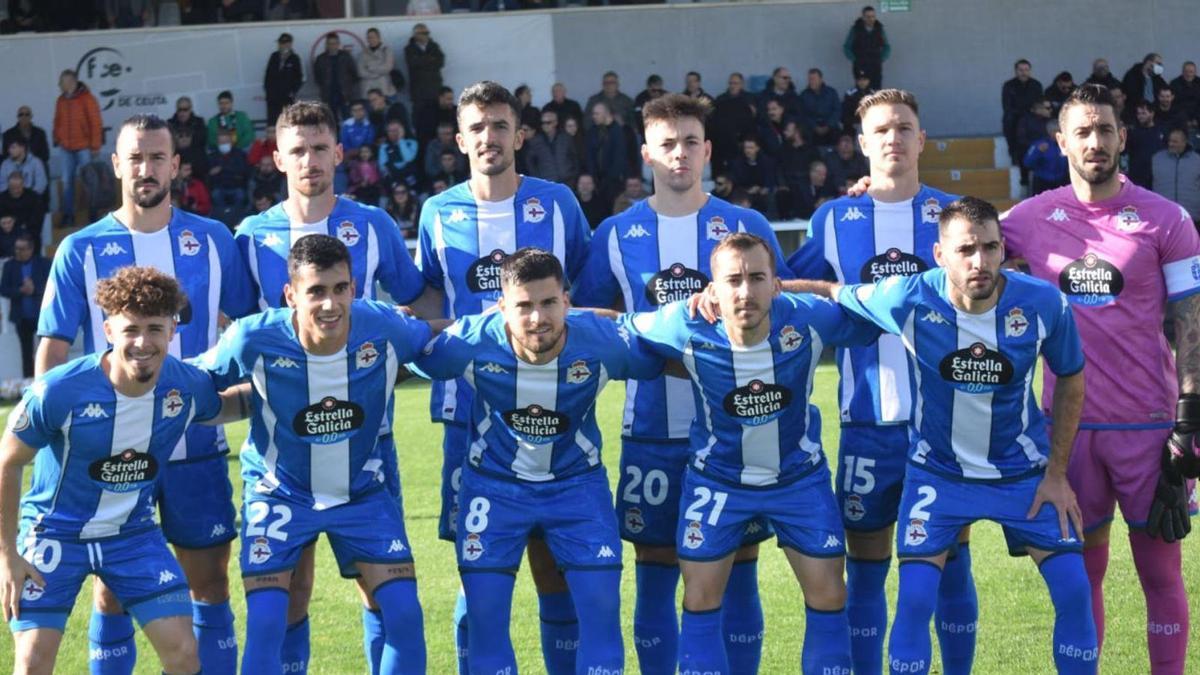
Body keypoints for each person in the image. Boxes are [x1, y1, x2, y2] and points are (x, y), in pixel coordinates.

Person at [572, 94, 794, 675]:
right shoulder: (615, 234)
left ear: (708, 149)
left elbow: (786, 313)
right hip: (652, 432)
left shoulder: (746, 226)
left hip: (737, 433)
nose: (680, 153)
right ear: (647, 153)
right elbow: (592, 323)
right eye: (667, 143)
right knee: (655, 571)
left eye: (690, 141)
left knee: (739, 571)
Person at [834, 196, 1096, 675]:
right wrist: (764, 291)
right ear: (940, 255)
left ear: (1003, 250)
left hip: (1023, 475)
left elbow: (1072, 379)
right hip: (939, 475)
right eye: (966, 250)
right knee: (914, 600)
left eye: (991, 248)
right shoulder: (907, 296)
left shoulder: (1042, 303)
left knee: (1075, 592)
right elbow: (838, 293)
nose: (980, 262)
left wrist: (1057, 474)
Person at [35, 114, 256, 675]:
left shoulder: (213, 240)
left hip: (194, 444)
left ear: (176, 166)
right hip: (105, 453)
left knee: (210, 582)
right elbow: (53, 349)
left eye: (158, 157)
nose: (146, 168)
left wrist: (243, 398)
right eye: (135, 157)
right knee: (112, 590)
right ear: (116, 165)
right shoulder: (79, 249)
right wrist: (49, 436)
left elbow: (246, 330)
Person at [1003, 84, 1200, 675]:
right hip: (1068, 432)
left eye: (1106, 130)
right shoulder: (1028, 219)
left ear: (1122, 137)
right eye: (1083, 132)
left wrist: (1190, 414)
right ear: (1060, 141)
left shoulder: (1167, 219)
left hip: (1149, 428)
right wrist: (872, 187)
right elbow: (959, 234)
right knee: (1080, 575)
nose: (1096, 141)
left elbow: (1191, 320)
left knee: (1160, 573)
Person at [785, 89, 976, 675]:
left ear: (921, 139)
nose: (893, 137)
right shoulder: (835, 219)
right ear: (862, 143)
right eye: (881, 130)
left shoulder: (955, 216)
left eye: (904, 127)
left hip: (943, 425)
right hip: (866, 424)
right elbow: (793, 292)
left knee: (951, 564)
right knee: (865, 568)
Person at [234, 101, 428, 673]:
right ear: (277, 158)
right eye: (297, 149)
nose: (309, 160)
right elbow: (241, 332)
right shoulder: (251, 235)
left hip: (367, 442)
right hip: (285, 446)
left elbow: (416, 302)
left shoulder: (374, 224)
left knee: (380, 591)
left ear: (339, 153)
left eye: (320, 148)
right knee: (291, 590)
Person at [625, 232, 875, 674]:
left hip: (799, 479)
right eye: (733, 281)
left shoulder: (808, 318)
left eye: (758, 278)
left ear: (776, 284)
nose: (745, 291)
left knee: (830, 595)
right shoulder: (682, 324)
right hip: (717, 482)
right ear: (712, 291)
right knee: (700, 598)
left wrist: (808, 287)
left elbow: (872, 312)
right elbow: (619, 331)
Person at [199, 234, 443, 675]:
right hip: (279, 493)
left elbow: (439, 338)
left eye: (339, 289)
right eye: (315, 291)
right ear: (291, 294)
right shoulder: (250, 337)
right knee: (268, 621)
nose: (330, 304)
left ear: (354, 288)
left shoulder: (384, 327)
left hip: (361, 493)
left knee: (405, 614)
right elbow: (194, 382)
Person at [415, 80, 592, 675]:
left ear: (518, 135)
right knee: (477, 571)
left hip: (557, 410)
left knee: (553, 564)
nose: (488, 137)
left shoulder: (559, 203)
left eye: (499, 126)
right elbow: (427, 305)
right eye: (476, 128)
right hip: (467, 417)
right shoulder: (437, 213)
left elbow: (586, 294)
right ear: (459, 140)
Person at [415, 247, 655, 675]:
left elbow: (665, 348)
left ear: (566, 300)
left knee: (601, 613)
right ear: (501, 307)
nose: (537, 318)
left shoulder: (602, 343)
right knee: (486, 619)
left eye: (548, 303)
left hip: (577, 487)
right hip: (493, 489)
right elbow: (405, 348)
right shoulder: (470, 341)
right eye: (523, 306)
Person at [0, 266, 246, 675]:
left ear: (172, 330)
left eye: (154, 328)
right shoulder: (59, 390)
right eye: (131, 329)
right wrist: (7, 554)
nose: (143, 342)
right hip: (54, 533)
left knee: (185, 654)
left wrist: (290, 387)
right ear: (109, 330)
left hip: (133, 536)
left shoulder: (186, 386)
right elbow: (8, 461)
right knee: (31, 664)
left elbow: (223, 407)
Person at [52, 69, 102, 226]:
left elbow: (96, 123)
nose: (59, 84)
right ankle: (68, 215)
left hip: (84, 147)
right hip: (66, 147)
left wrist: (95, 146)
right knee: (67, 182)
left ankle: (93, 214)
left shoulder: (87, 98)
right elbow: (57, 120)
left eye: (62, 81)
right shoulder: (60, 100)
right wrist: (57, 136)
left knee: (90, 181)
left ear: (71, 82)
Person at [0, 232, 48, 377]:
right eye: (16, 249)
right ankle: (28, 383)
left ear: (30, 249)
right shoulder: (9, 266)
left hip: (41, 315)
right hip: (21, 317)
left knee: (45, 351)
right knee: (26, 354)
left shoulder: (44, 264)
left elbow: (51, 286)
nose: (18, 252)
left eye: (21, 249)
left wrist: (34, 290)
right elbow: (3, 289)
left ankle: (46, 381)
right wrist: (21, 290)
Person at [1002, 60, 1044, 178]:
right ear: (1016, 71)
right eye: (1021, 70)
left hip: (1032, 119)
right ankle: (1015, 157)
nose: (1023, 73)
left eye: (1026, 70)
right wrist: (1025, 112)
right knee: (1010, 120)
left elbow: (1039, 105)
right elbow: (1008, 107)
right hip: (1015, 120)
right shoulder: (1009, 86)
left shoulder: (1036, 85)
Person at [711, 73, 757, 172]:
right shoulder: (720, 99)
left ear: (742, 84)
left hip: (743, 139)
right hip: (724, 140)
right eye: (731, 83)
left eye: (735, 83)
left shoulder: (750, 98)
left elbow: (754, 119)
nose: (732, 86)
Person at [1152, 127, 1200, 220]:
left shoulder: (1197, 160)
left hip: (1192, 217)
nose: (1171, 144)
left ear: (1184, 142)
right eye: (1170, 141)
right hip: (1164, 216)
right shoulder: (1157, 159)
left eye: (1175, 141)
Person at [405, 23, 445, 133]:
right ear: (415, 35)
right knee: (419, 119)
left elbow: (440, 62)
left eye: (427, 33)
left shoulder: (434, 46)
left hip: (434, 89)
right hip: (419, 90)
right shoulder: (409, 49)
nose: (426, 35)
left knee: (436, 117)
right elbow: (413, 64)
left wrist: (422, 60)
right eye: (423, 33)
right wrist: (430, 60)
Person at [526, 109, 579, 186]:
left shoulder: (566, 138)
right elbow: (530, 163)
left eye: (548, 122)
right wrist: (538, 178)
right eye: (542, 123)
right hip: (547, 183)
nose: (545, 125)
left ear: (555, 123)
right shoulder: (535, 141)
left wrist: (573, 176)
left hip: (568, 181)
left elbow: (575, 158)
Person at [843, 5, 890, 90]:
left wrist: (881, 58)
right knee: (862, 93)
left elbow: (887, 47)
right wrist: (855, 59)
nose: (871, 19)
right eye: (868, 17)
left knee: (876, 93)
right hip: (860, 66)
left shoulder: (879, 29)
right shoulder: (855, 30)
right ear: (863, 17)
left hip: (875, 66)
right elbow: (847, 47)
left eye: (873, 16)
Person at [208, 129, 250, 222]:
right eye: (221, 142)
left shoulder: (240, 154)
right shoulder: (212, 156)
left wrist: (222, 169)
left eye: (226, 141)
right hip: (219, 186)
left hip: (237, 185)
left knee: (240, 195)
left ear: (231, 141)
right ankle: (223, 221)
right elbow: (209, 174)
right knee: (216, 195)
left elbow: (244, 171)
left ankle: (236, 220)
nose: (224, 144)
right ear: (217, 143)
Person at [314, 32, 358, 120]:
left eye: (334, 43)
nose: (332, 46)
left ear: (338, 44)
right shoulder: (321, 59)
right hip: (328, 95)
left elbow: (354, 73)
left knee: (348, 119)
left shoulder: (346, 57)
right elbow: (317, 76)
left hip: (345, 94)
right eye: (330, 44)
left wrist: (349, 88)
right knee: (331, 121)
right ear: (326, 45)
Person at [729, 136, 776, 215]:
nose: (748, 150)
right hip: (745, 191)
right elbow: (736, 182)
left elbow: (770, 179)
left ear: (757, 148)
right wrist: (748, 190)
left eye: (751, 148)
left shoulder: (767, 162)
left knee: (770, 197)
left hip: (763, 192)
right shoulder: (738, 163)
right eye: (746, 148)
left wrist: (764, 188)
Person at [264, 33, 304, 125]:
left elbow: (299, 77)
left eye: (286, 43)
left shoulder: (294, 58)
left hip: (287, 97)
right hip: (273, 97)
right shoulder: (274, 56)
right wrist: (268, 91)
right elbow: (267, 75)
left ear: (290, 44)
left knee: (288, 122)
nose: (283, 45)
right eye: (281, 43)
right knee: (273, 122)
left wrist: (292, 91)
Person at [1024, 119, 1069, 195]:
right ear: (1050, 132)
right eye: (1056, 131)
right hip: (1043, 182)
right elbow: (1027, 163)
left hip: (1062, 181)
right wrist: (1038, 151)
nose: (1059, 133)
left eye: (1061, 130)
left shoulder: (1066, 144)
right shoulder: (1040, 144)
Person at [1125, 100, 1165, 188]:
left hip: (1157, 176)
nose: (1140, 116)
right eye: (1138, 114)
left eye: (1143, 113)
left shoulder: (1161, 131)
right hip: (1137, 178)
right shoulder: (1132, 133)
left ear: (1152, 113)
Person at [799, 68, 841, 146]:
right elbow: (803, 114)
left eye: (814, 79)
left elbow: (837, 110)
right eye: (810, 79)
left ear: (821, 79)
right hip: (812, 130)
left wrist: (829, 125)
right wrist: (814, 126)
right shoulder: (804, 95)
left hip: (831, 128)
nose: (811, 81)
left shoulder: (831, 92)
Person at [378, 120, 420, 190]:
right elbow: (383, 167)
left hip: (411, 181)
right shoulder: (384, 147)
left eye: (395, 130)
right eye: (390, 131)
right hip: (393, 182)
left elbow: (408, 158)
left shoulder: (412, 143)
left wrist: (401, 140)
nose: (392, 133)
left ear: (402, 130)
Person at [358, 28, 397, 101]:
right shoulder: (362, 54)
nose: (370, 39)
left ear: (378, 37)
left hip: (385, 90)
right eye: (368, 37)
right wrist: (379, 72)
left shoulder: (387, 51)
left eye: (373, 37)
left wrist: (370, 68)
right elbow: (360, 72)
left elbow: (387, 68)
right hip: (368, 92)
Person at [842, 68, 876, 133]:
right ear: (857, 81)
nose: (862, 82)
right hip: (853, 126)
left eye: (865, 80)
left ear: (869, 81)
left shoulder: (873, 94)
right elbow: (846, 115)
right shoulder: (850, 94)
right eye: (860, 80)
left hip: (870, 125)